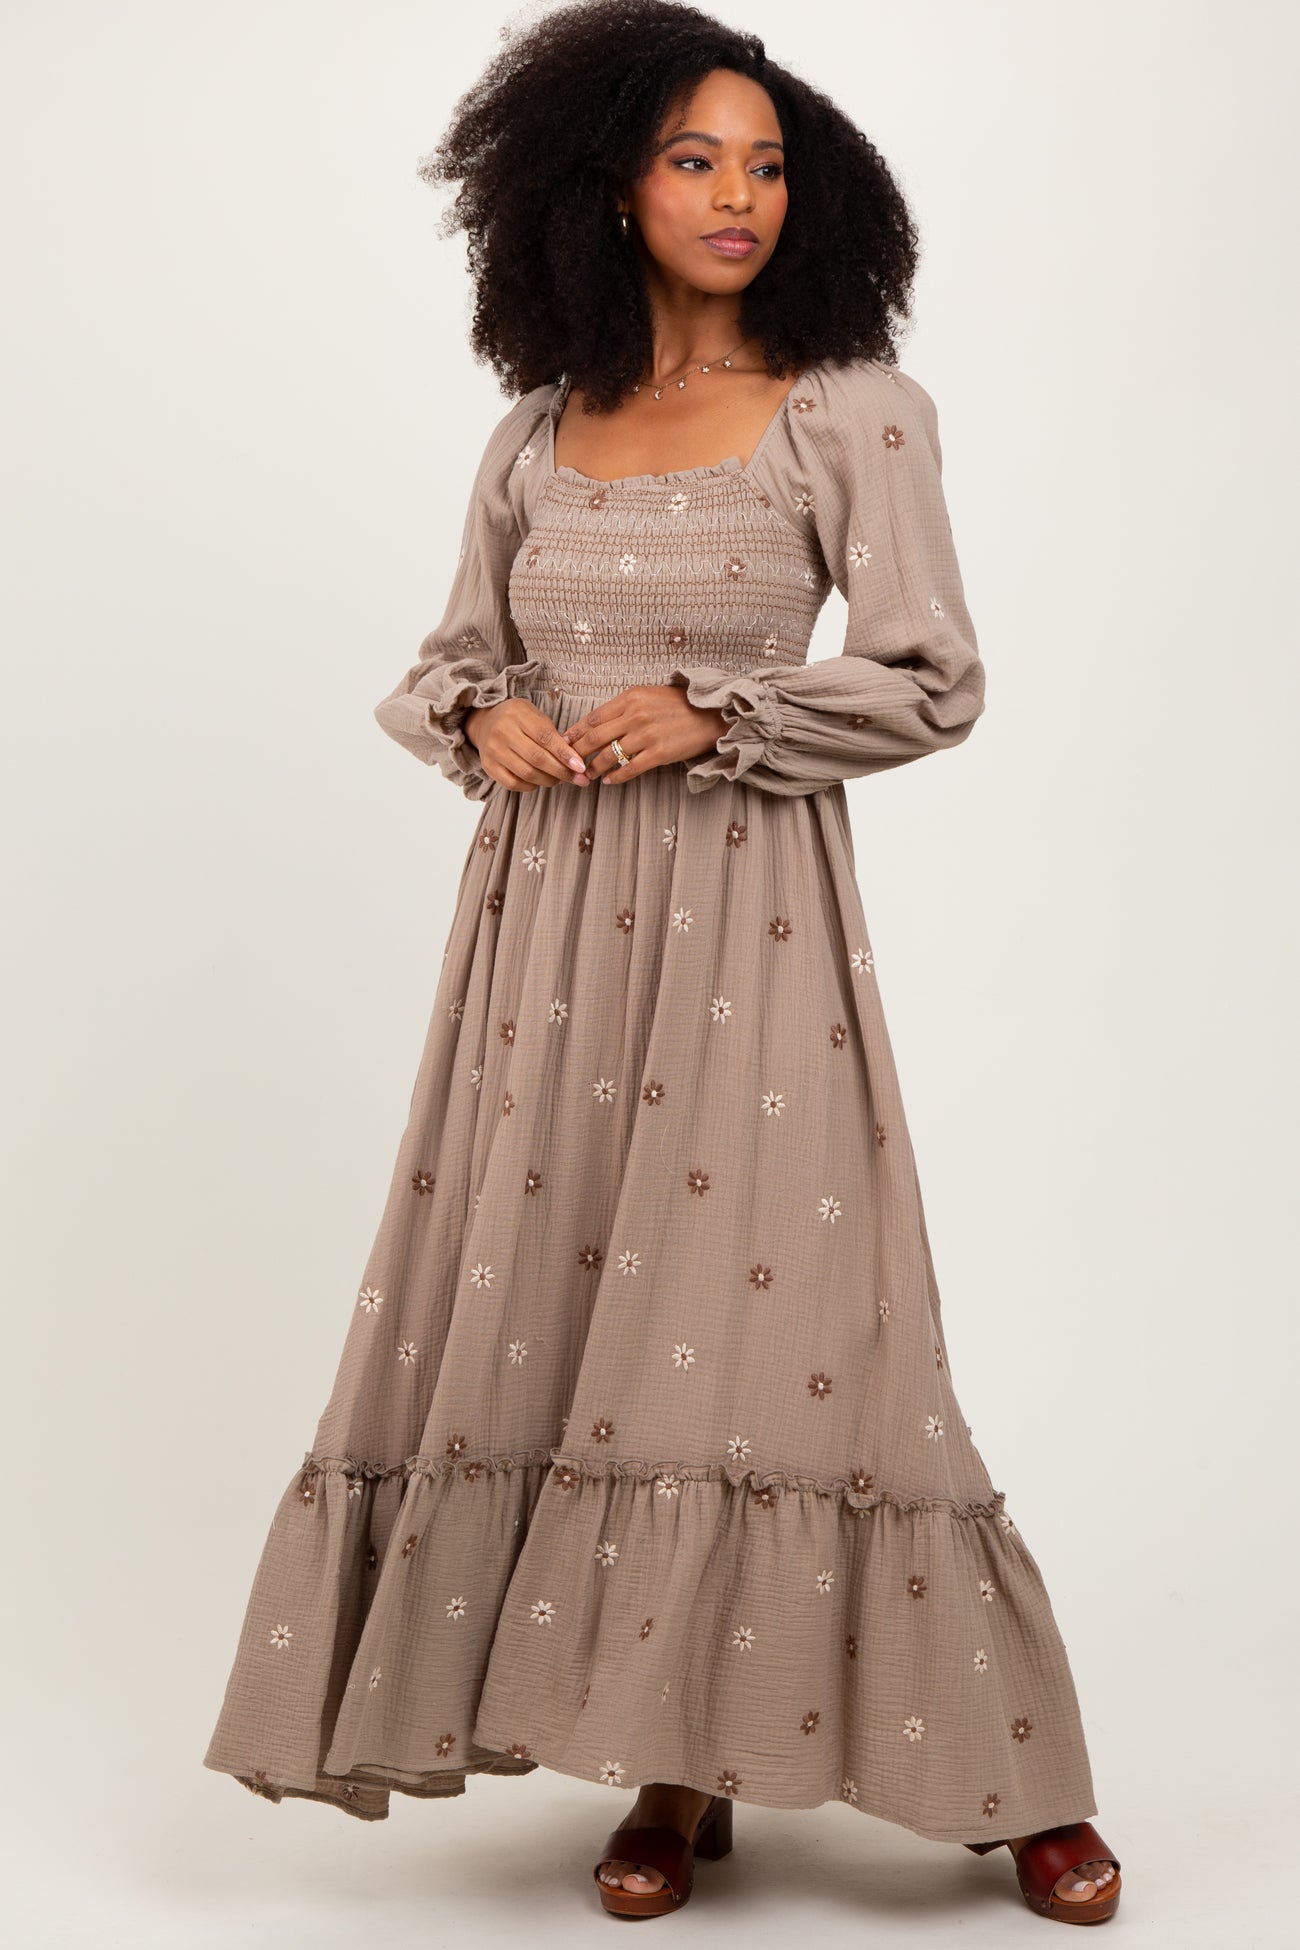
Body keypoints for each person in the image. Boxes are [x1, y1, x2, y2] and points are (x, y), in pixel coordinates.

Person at [203, 0, 1121, 1926]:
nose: (737, 195)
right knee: (589, 1329)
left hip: (750, 922)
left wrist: (720, 707)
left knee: (812, 1325)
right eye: (695, 158)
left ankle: (1014, 1767)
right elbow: (446, 659)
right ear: (601, 189)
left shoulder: (852, 408)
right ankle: (672, 1767)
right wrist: (485, 718)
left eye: (766, 162)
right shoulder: (537, 428)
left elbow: (934, 677)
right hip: (542, 936)